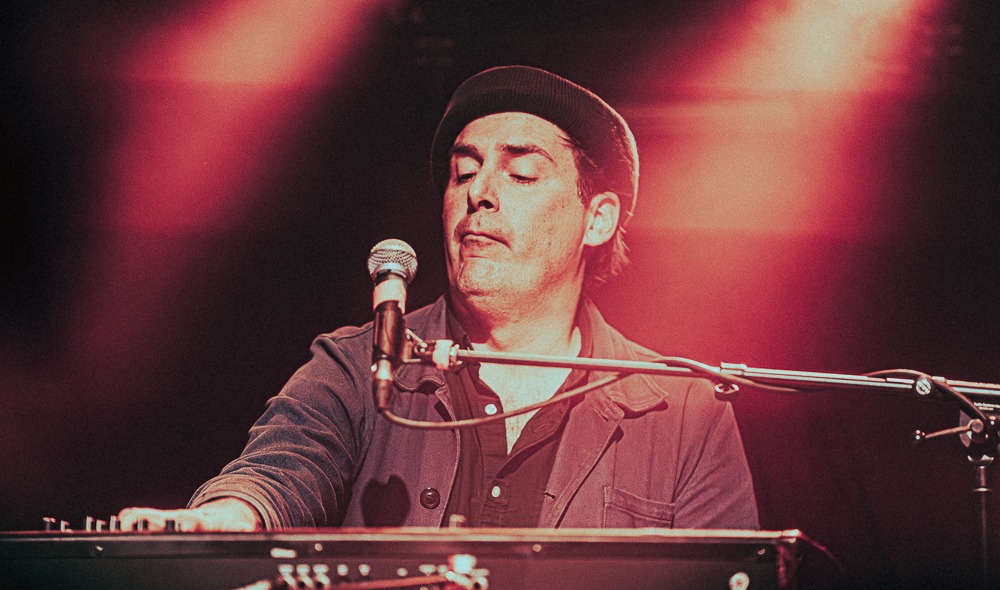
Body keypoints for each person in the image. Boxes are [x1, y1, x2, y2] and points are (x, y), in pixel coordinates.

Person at [118, 66, 758, 532]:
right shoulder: (358, 364)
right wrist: (230, 515)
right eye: (463, 171)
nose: (480, 192)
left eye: (521, 173)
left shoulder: (685, 411)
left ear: (597, 220)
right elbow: (282, 469)